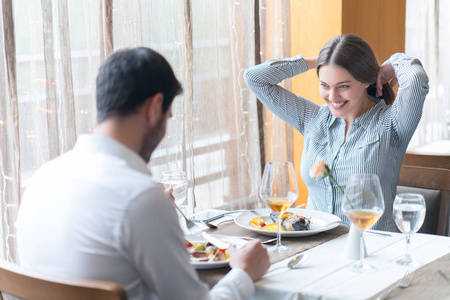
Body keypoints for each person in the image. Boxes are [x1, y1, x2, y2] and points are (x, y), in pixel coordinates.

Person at [16, 47, 270, 300]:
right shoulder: (140, 198)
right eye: (167, 116)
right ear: (155, 106)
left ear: (99, 103)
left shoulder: (43, 177)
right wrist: (244, 273)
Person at [244, 34, 429, 232]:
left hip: (373, 251)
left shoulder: (392, 122)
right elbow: (255, 78)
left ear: (367, 80)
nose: (332, 97)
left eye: (343, 86)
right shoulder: (312, 119)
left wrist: (393, 63)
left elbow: (416, 80)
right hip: (315, 248)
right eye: (325, 85)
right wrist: (323, 62)